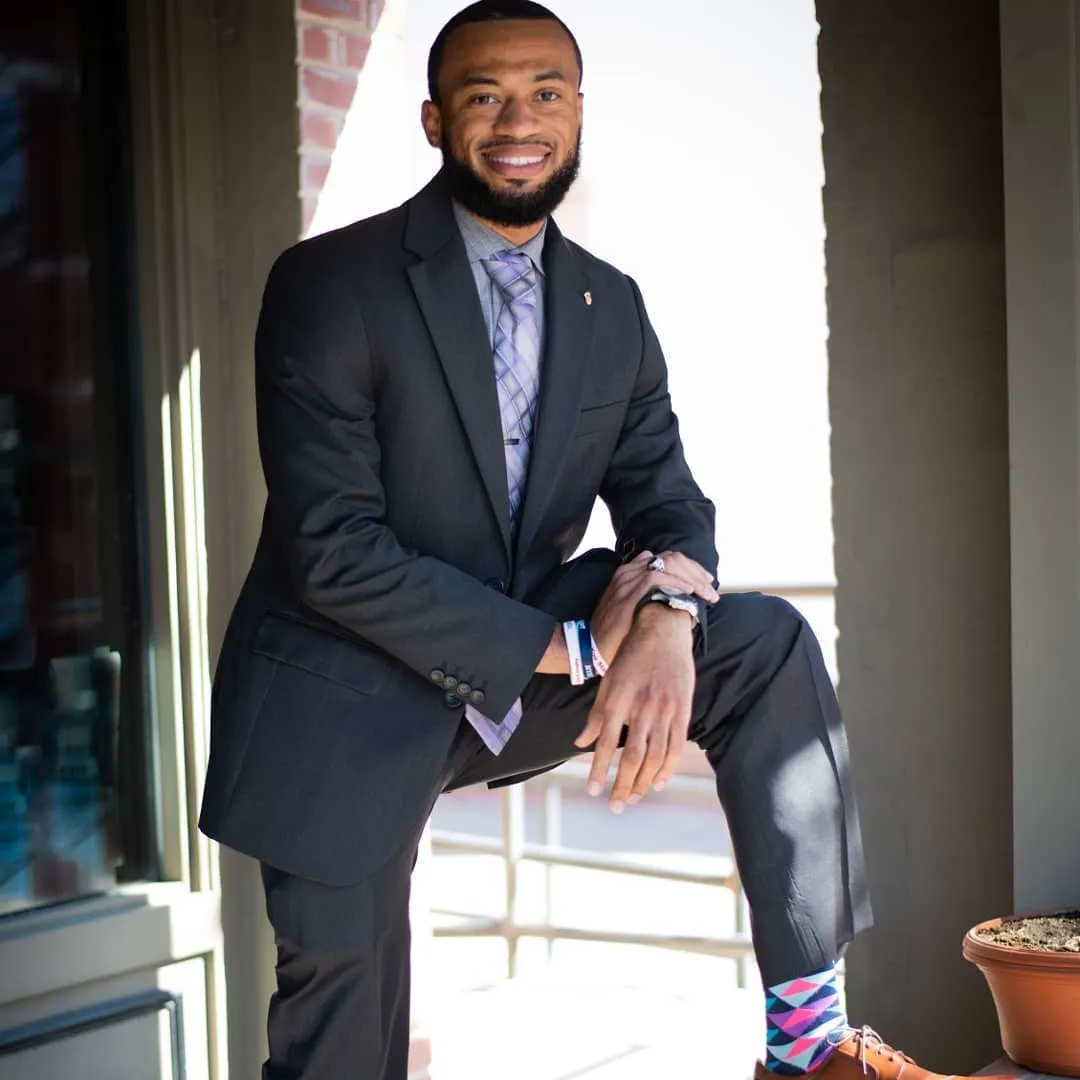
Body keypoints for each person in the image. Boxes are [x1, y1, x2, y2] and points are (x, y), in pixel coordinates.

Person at [199, 3, 1011, 1078]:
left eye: (545, 92)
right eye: (484, 96)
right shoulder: (330, 284)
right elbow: (335, 552)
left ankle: (808, 1044)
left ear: (580, 110)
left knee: (762, 645)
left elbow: (667, 501)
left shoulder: (611, 307)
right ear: (435, 120)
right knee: (340, 1041)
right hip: (345, 689)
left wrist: (669, 616)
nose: (517, 120)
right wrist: (582, 650)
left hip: (516, 674)